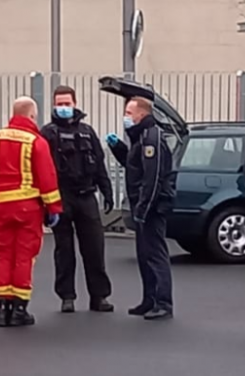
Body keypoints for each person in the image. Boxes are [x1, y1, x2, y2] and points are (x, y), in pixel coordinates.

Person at [0, 97, 63, 327]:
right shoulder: (36, 141)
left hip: (2, 207)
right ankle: (19, 310)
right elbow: (47, 177)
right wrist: (53, 207)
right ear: (32, 116)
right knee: (24, 256)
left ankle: (1, 311)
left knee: (4, 255)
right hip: (28, 208)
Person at [40, 85, 115, 314]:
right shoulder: (47, 133)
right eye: (59, 104)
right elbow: (41, 169)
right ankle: (67, 297)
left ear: (75, 104)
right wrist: (44, 204)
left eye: (67, 103)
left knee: (94, 248)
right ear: (54, 105)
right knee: (64, 251)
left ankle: (99, 296)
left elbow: (99, 163)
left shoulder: (87, 131)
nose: (64, 108)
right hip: (60, 197)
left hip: (86, 195)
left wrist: (107, 191)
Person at [105, 96, 175, 320]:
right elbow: (134, 166)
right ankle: (149, 299)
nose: (126, 117)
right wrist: (118, 148)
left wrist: (144, 208)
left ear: (141, 115)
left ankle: (163, 302)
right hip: (142, 205)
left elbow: (152, 178)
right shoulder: (139, 138)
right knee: (144, 254)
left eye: (129, 113)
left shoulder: (151, 138)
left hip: (152, 207)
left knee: (156, 254)